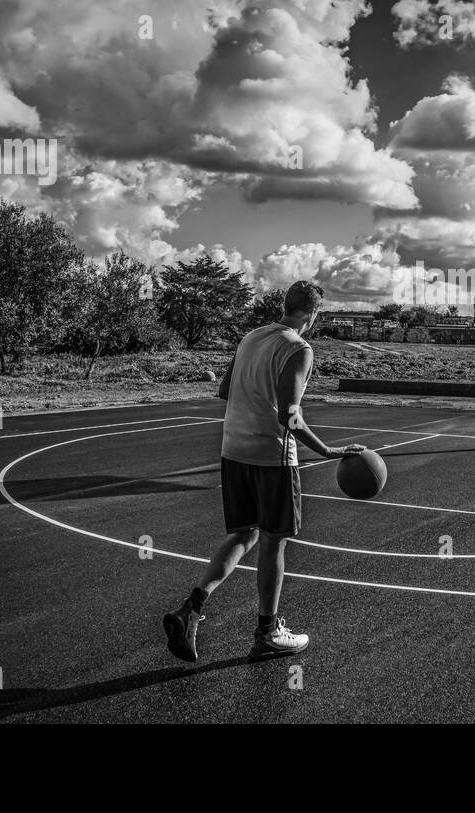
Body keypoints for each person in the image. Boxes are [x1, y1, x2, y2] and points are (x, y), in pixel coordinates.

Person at [162, 280, 364, 662]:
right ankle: (268, 633)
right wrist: (328, 450)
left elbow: (224, 390)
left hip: (233, 451)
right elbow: (290, 416)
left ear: (285, 305)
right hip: (271, 458)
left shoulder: (251, 337)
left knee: (244, 534)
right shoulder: (298, 348)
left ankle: (191, 609)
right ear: (314, 314)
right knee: (273, 541)